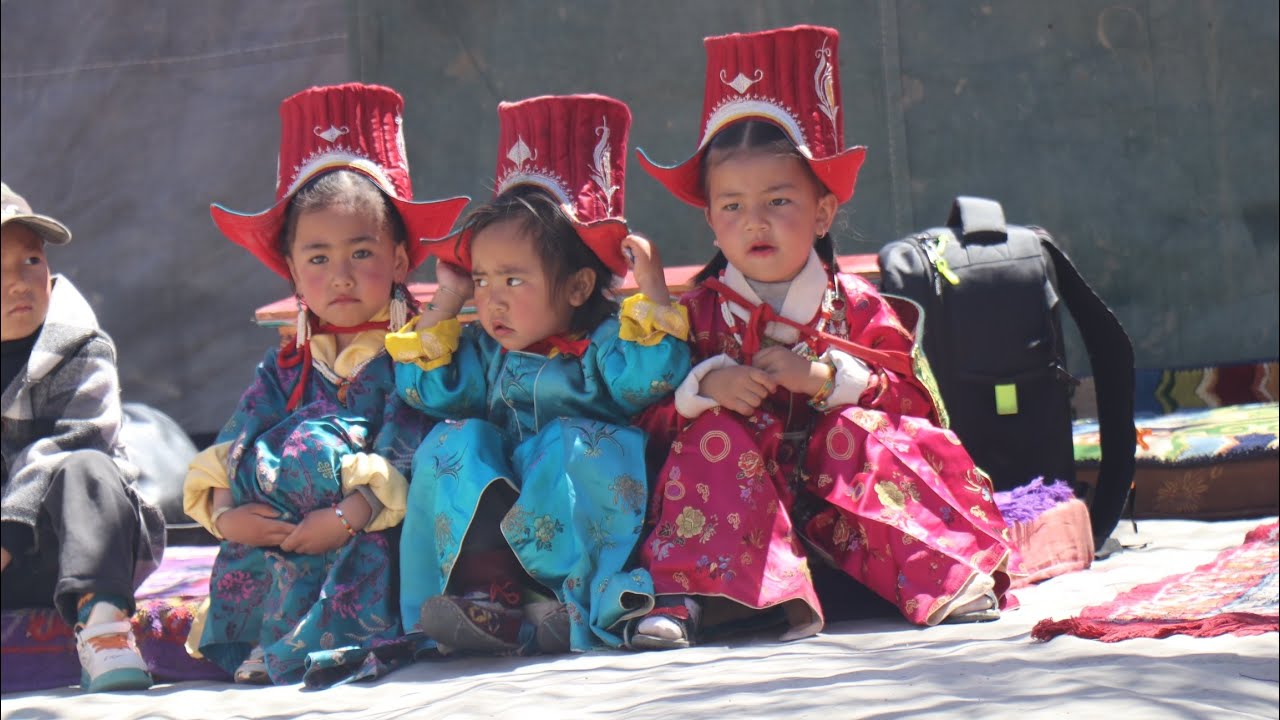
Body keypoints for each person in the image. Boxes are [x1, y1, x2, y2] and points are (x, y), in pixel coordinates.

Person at [627, 25, 1017, 649]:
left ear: (824, 211)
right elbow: (639, 418)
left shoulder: (858, 307)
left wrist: (829, 381)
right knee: (714, 438)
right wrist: (702, 390)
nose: (753, 221)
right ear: (709, 220)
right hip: (741, 525)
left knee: (856, 432)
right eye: (731, 206)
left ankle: (941, 575)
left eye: (778, 200)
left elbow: (918, 407)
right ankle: (697, 597)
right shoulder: (692, 315)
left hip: (850, 518)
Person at [181, 83, 467, 684]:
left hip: (366, 525)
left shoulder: (412, 352)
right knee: (264, 471)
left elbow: (408, 441)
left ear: (399, 259)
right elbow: (239, 434)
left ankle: (315, 643)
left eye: (361, 252)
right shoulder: (286, 363)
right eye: (317, 258)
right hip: (284, 521)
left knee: (331, 477)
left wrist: (349, 513)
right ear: (290, 270)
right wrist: (228, 512)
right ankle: (267, 635)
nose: (340, 276)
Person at [386, 94, 691, 655]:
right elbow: (424, 389)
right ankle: (487, 596)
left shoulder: (603, 346)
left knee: (574, 440)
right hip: (503, 525)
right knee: (455, 436)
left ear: (577, 287)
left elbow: (653, 374)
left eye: (513, 281)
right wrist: (448, 301)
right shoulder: (485, 351)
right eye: (481, 280)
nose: (492, 300)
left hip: (581, 514)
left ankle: (567, 603)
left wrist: (652, 292)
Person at [1, 181, 166, 692]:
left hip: (78, 553)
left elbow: (75, 441)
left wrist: (6, 532)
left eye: (31, 261)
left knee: (86, 467)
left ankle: (104, 629)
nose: (19, 283)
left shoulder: (79, 347)